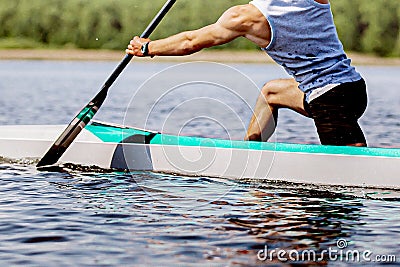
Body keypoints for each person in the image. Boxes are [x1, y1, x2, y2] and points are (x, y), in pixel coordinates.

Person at [126, 0, 368, 147]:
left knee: (351, 172)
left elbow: (191, 42)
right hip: (354, 88)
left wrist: (148, 47)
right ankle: (250, 151)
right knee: (271, 92)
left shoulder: (244, 17)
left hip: (328, 100)